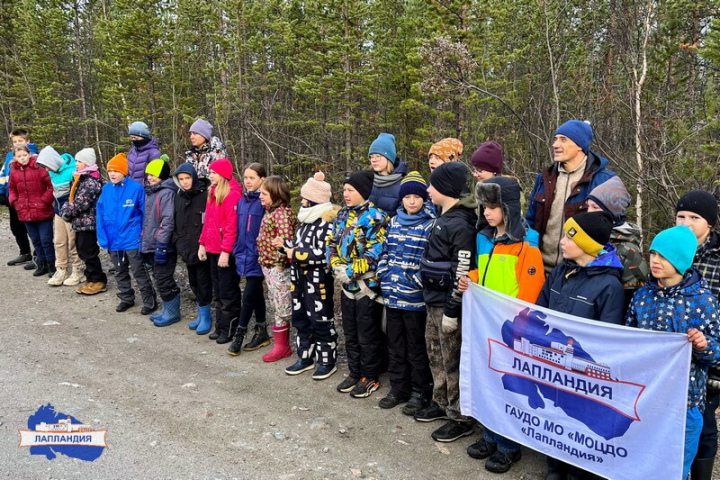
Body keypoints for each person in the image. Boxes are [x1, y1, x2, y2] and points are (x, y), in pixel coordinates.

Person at [459, 176, 545, 473]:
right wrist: (469, 279)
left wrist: (517, 328)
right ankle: (490, 435)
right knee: (489, 385)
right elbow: (484, 271)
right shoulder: (484, 238)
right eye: (484, 206)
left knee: (511, 387)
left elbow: (531, 291)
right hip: (485, 326)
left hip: (511, 330)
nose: (486, 212)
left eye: (493, 207)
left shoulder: (527, 243)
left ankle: (509, 445)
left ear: (507, 208)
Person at [626, 225, 720, 480]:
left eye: (664, 256)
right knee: (642, 462)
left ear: (680, 260)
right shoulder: (642, 296)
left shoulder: (704, 301)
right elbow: (629, 338)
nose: (655, 261)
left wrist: (704, 345)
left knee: (675, 468)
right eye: (654, 254)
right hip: (646, 399)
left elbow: (716, 352)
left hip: (685, 404)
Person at [537, 211, 624, 480]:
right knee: (554, 413)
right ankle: (554, 467)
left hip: (582, 371)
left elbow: (607, 337)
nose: (561, 242)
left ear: (586, 245)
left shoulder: (609, 285)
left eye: (568, 237)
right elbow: (540, 309)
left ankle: (578, 471)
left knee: (578, 417)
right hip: (553, 362)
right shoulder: (560, 272)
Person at [414, 162, 477, 442]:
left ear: (447, 189)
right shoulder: (442, 216)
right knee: (435, 353)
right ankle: (441, 402)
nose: (428, 190)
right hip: (432, 300)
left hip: (449, 305)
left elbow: (462, 269)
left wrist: (453, 308)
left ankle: (460, 415)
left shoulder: (461, 224)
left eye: (433, 185)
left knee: (452, 359)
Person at [375, 171, 435, 411]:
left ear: (424, 199)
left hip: (414, 300)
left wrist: (414, 280)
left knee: (415, 347)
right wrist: (384, 274)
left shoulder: (430, 225)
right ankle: (399, 388)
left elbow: (430, 262)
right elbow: (385, 252)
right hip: (392, 296)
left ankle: (420, 391)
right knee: (395, 345)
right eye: (407, 196)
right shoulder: (394, 222)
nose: (412, 201)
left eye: (416, 197)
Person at [525, 120, 616, 272]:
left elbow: (611, 232)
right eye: (555, 139)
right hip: (539, 268)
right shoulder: (544, 178)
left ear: (580, 145)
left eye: (563, 139)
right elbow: (531, 221)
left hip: (578, 272)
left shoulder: (604, 181)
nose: (555, 144)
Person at [328, 170, 389, 398]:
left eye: (350, 190)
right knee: (350, 331)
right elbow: (332, 241)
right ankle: (355, 372)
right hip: (346, 285)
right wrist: (335, 265)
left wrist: (353, 270)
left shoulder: (376, 216)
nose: (345, 194)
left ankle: (370, 376)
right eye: (344, 190)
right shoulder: (342, 214)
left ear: (362, 192)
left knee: (367, 333)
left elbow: (377, 249)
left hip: (366, 287)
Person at [674, 190, 720, 480]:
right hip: (672, 358)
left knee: (703, 425)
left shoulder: (716, 261)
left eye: (695, 218)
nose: (686, 223)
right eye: (681, 217)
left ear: (710, 225)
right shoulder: (666, 249)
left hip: (708, 357)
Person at [283, 172, 340, 380]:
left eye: (306, 198)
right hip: (298, 280)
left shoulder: (327, 222)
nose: (303, 201)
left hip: (318, 282)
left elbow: (326, 255)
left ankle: (327, 360)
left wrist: (296, 253)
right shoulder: (305, 220)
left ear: (315, 200)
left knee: (320, 320)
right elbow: (300, 247)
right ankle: (305, 357)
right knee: (301, 319)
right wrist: (285, 247)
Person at [96, 154, 155, 309]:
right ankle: (126, 298)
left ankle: (149, 300)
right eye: (110, 171)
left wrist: (143, 236)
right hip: (113, 240)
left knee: (139, 271)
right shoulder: (106, 189)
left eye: (116, 171)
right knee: (119, 271)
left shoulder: (136, 188)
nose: (112, 174)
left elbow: (145, 213)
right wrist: (103, 238)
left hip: (132, 238)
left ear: (124, 171)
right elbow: (100, 215)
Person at [586, 176, 648, 310]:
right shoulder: (588, 238)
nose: (589, 212)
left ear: (612, 212)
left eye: (595, 207)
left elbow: (632, 300)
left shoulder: (628, 251)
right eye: (588, 206)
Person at [198, 159, 242, 344]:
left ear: (222, 175)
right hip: (212, 247)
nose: (210, 175)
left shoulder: (232, 195)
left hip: (225, 251)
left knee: (227, 291)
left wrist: (226, 251)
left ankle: (229, 327)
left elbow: (232, 227)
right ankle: (220, 326)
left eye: (214, 173)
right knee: (217, 290)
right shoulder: (213, 193)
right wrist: (202, 243)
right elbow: (207, 222)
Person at [228, 163, 268, 355]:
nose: (248, 181)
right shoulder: (242, 201)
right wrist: (236, 248)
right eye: (245, 177)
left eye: (252, 177)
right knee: (255, 292)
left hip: (259, 256)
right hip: (243, 253)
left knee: (248, 295)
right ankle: (262, 331)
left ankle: (239, 334)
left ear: (262, 179)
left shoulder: (264, 202)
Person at [256, 175, 297, 362]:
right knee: (275, 302)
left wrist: (281, 264)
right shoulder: (270, 212)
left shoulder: (281, 214)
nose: (260, 197)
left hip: (278, 268)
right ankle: (281, 345)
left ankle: (287, 344)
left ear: (275, 193)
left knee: (283, 306)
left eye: (264, 193)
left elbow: (286, 241)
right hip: (268, 266)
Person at [60, 148, 107, 294]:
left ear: (87, 163)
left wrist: (66, 211)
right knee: (82, 251)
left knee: (89, 252)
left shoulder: (91, 182)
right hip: (80, 222)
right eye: (76, 161)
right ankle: (91, 279)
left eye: (79, 161)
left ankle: (98, 280)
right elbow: (73, 199)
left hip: (89, 223)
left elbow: (81, 203)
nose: (76, 163)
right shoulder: (80, 178)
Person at [173, 163, 213, 334]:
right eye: (181, 179)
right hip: (185, 247)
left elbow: (209, 222)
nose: (185, 182)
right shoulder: (179, 197)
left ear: (194, 177)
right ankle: (200, 313)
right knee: (193, 282)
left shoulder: (204, 196)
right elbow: (176, 223)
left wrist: (203, 245)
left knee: (204, 283)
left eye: (187, 178)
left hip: (201, 248)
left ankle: (206, 316)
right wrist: (178, 242)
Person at [35, 146, 84, 286]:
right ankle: (61, 269)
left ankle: (78, 269)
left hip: (70, 213)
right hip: (58, 211)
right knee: (59, 241)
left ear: (53, 162)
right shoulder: (52, 172)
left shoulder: (71, 171)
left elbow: (77, 193)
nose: (46, 170)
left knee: (72, 241)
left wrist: (72, 211)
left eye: (47, 166)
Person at [143, 159, 181, 327]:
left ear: (162, 175)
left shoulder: (166, 193)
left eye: (153, 174)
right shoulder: (152, 192)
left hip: (164, 245)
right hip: (153, 242)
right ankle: (167, 309)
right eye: (148, 174)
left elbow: (167, 221)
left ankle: (173, 312)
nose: (150, 177)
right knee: (158, 277)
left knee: (163, 277)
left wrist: (162, 244)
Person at [8, 145, 55, 277]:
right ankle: (42, 264)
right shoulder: (14, 171)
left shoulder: (39, 167)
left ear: (29, 154)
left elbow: (51, 186)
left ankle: (52, 265)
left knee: (46, 240)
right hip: (25, 211)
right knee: (35, 240)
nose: (22, 158)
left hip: (43, 210)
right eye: (19, 156)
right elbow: (12, 188)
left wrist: (44, 200)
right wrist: (15, 201)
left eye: (24, 155)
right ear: (15, 158)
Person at [1, 128, 36, 266]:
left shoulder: (32, 155)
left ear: (27, 141)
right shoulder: (10, 155)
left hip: (28, 199)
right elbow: (3, 174)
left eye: (20, 141)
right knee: (16, 227)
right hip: (13, 198)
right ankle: (24, 252)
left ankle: (38, 255)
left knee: (31, 227)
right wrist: (2, 192)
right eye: (14, 141)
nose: (17, 144)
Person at [368, 133, 407, 216]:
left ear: (389, 157)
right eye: (371, 156)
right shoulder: (366, 181)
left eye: (378, 156)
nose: (374, 160)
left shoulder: (403, 184)